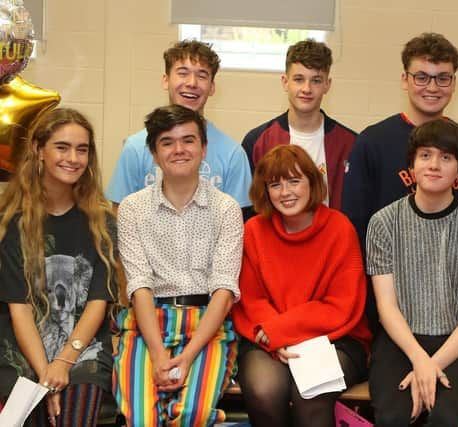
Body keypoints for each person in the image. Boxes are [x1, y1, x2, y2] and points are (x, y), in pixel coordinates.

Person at [112, 105, 243, 425]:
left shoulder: (226, 209)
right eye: (167, 142)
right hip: (148, 324)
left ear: (203, 148)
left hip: (206, 326)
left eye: (188, 140)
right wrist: (158, 354)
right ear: (154, 154)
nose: (179, 150)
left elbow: (224, 290)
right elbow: (138, 284)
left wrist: (186, 357)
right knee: (141, 419)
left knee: (191, 415)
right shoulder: (132, 209)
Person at [366, 119, 458, 426]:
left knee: (445, 417)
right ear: (411, 166)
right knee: (393, 416)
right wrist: (419, 358)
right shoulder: (383, 223)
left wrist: (432, 365)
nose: (434, 165)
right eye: (425, 155)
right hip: (401, 339)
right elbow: (386, 308)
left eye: (446, 157)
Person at [231, 144, 371, 427]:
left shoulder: (339, 228)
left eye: (294, 181)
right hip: (267, 337)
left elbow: (341, 305)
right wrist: (276, 335)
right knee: (264, 390)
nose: (286, 192)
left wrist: (282, 332)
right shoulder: (254, 231)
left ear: (312, 182)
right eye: (275, 184)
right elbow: (252, 299)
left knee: (311, 394)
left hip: (335, 337)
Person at [0, 108, 119, 426]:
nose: (74, 158)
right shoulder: (12, 221)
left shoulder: (101, 221)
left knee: (74, 414)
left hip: (83, 345)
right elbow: (20, 308)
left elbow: (98, 301)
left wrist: (64, 362)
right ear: (39, 150)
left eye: (82, 149)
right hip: (23, 346)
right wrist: (46, 372)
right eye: (62, 147)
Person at [342, 32, 458, 249]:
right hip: (386, 274)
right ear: (404, 80)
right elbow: (355, 224)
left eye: (443, 78)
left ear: (454, 83)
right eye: (421, 77)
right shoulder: (372, 141)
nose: (433, 87)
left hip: (451, 273)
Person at [107, 39, 252, 211]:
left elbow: (237, 221)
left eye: (202, 75)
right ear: (166, 80)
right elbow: (119, 216)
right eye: (183, 73)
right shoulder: (135, 148)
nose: (192, 83)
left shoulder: (233, 155)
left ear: (212, 87)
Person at [242, 39, 356, 210]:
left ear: (327, 85)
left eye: (316, 80)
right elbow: (250, 206)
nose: (307, 89)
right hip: (275, 236)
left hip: (330, 236)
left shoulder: (351, 143)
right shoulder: (258, 141)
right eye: (298, 79)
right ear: (285, 82)